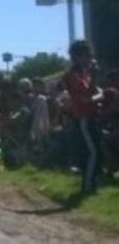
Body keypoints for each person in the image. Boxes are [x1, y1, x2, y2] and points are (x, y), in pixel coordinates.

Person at [65, 40, 102, 194]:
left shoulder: (84, 75)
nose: (90, 59)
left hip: (91, 116)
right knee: (93, 153)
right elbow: (89, 95)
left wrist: (95, 95)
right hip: (83, 119)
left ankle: (92, 185)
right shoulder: (74, 76)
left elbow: (98, 93)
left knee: (96, 151)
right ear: (77, 57)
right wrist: (94, 80)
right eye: (87, 55)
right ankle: (87, 187)